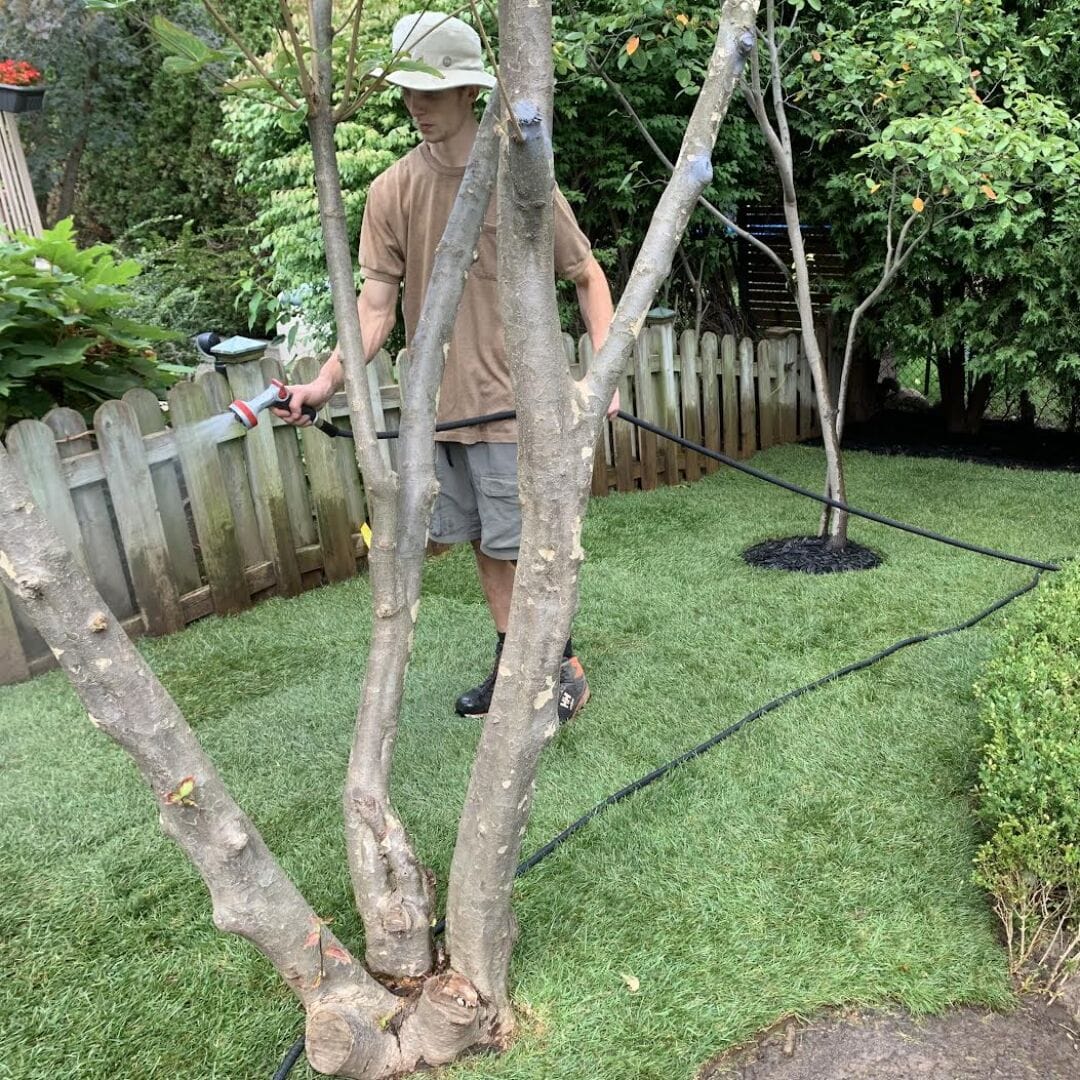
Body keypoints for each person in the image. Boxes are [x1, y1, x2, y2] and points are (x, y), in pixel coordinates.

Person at [277, 11, 616, 722]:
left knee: (528, 551)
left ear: (470, 92)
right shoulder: (391, 192)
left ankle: (559, 668)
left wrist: (601, 373)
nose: (415, 105)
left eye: (432, 91)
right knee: (488, 549)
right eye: (407, 90)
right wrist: (322, 384)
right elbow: (372, 312)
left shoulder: (523, 179)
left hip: (515, 406)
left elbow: (586, 273)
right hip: (439, 411)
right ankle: (514, 663)